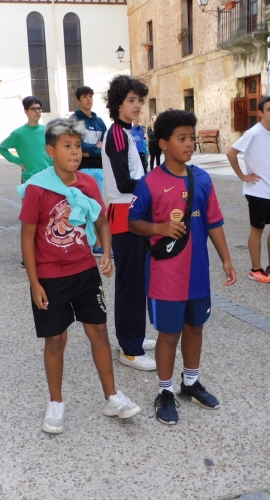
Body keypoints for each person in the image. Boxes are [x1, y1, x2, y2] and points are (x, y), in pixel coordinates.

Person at [18, 118, 141, 434]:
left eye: (77, 146)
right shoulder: (37, 188)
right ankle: (56, 403)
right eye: (66, 146)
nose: (74, 152)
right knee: (56, 339)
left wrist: (107, 253)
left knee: (99, 333)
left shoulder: (87, 183)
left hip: (85, 271)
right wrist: (34, 283)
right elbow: (27, 238)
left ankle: (112, 396)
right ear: (50, 151)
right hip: (50, 277)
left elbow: (101, 222)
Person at [128, 109, 237, 425]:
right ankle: (164, 391)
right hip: (166, 277)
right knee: (169, 334)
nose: (189, 144)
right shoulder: (150, 183)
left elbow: (214, 221)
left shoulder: (202, 179)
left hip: (197, 275)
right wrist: (159, 228)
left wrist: (226, 260)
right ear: (163, 143)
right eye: (182, 138)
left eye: (191, 137)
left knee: (195, 328)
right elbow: (133, 223)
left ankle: (190, 382)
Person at [102, 75, 156, 371]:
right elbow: (124, 182)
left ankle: (133, 337)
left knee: (136, 283)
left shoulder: (126, 131)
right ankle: (130, 349)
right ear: (118, 104)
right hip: (125, 215)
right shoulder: (118, 134)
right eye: (131, 100)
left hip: (131, 212)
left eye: (139, 100)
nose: (137, 106)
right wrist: (155, 186)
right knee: (130, 285)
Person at [227, 95, 270, 284]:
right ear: (261, 112)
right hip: (256, 190)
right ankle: (255, 270)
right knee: (257, 230)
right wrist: (242, 176)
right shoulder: (253, 132)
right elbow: (231, 153)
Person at [71, 86, 108, 257]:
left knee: (98, 207)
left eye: (91, 96)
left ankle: (98, 244)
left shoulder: (99, 121)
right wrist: (95, 147)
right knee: (83, 207)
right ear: (78, 100)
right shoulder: (74, 120)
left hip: (99, 169)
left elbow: (106, 144)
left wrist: (90, 149)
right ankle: (84, 243)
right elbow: (78, 145)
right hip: (83, 168)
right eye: (85, 96)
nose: (89, 99)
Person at [0, 96, 52, 185]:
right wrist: (18, 161)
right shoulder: (18, 134)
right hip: (30, 178)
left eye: (39, 108)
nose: (37, 111)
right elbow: (1, 148)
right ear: (26, 111)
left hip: (49, 175)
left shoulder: (47, 130)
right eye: (33, 109)